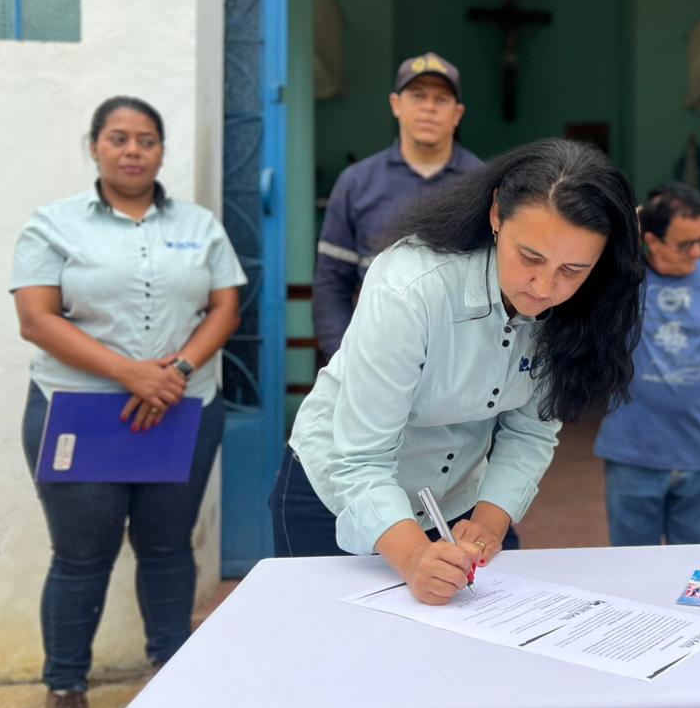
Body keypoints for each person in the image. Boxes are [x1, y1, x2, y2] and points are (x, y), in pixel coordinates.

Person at [271, 139, 644, 605]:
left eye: (573, 269)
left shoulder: (581, 305)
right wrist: (413, 557)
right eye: (530, 258)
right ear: (496, 214)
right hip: (337, 493)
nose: (545, 287)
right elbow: (360, 458)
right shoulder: (411, 287)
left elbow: (531, 430)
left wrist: (490, 521)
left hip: (453, 501)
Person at [11, 96, 245, 708]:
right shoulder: (53, 223)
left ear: (162, 151)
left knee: (168, 548)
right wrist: (131, 374)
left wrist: (177, 371)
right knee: (81, 556)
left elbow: (225, 305)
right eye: (118, 138)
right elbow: (36, 317)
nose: (133, 150)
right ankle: (66, 693)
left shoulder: (199, 225)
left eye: (146, 139)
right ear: (94, 146)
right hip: (82, 413)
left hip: (182, 408)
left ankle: (174, 678)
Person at [313, 51, 483, 362]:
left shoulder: (483, 184)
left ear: (457, 113)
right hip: (374, 353)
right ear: (396, 105)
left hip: (459, 360)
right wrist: (344, 359)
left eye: (441, 99)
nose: (429, 107)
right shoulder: (356, 182)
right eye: (417, 95)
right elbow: (330, 285)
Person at [594, 183, 700, 546]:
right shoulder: (622, 282)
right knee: (632, 565)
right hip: (633, 453)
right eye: (685, 244)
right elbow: (596, 250)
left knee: (697, 566)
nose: (698, 252)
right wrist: (629, 225)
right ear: (652, 241)